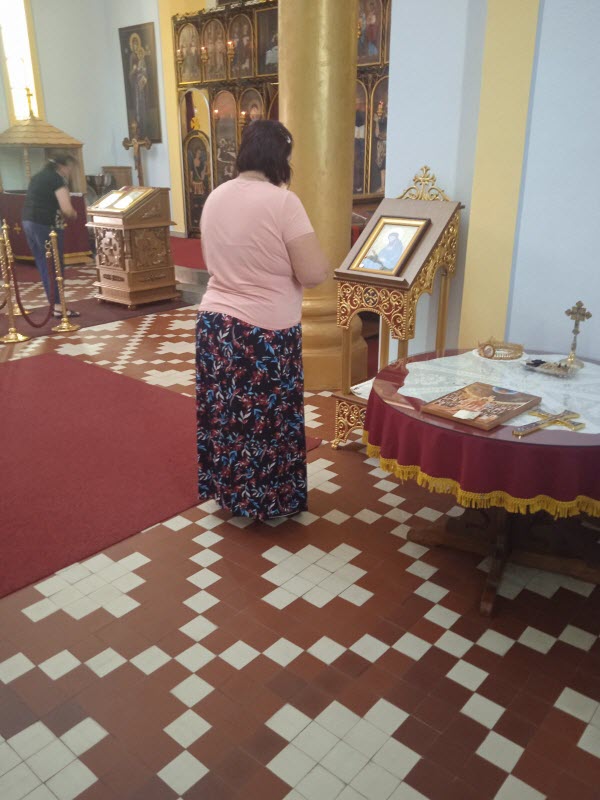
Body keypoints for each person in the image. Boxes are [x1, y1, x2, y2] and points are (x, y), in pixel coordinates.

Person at [196, 120, 329, 521]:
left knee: (226, 415)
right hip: (263, 333)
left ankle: (230, 494)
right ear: (281, 158)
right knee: (267, 421)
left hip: (215, 325)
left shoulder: (215, 196)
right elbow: (313, 273)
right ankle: (269, 502)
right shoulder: (283, 202)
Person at [22, 154, 80, 318]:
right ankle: (58, 306)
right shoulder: (57, 179)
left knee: (44, 264)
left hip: (29, 222)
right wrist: (76, 214)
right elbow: (66, 208)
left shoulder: (38, 176)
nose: (70, 171)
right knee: (55, 265)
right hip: (47, 225)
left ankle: (54, 304)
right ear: (63, 166)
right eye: (70, 168)